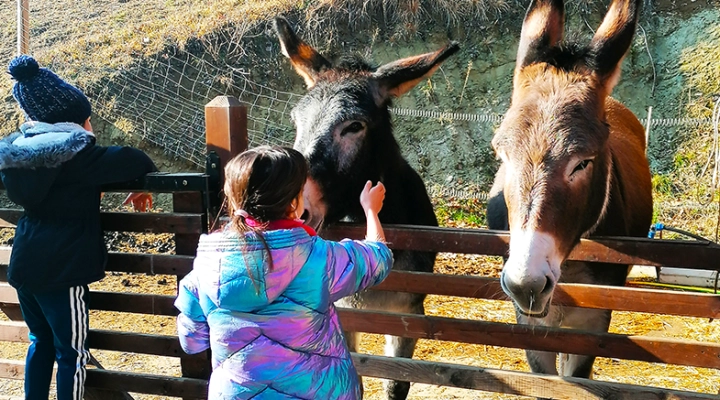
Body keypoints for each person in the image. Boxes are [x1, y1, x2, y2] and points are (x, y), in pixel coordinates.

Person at [175, 146, 393, 399]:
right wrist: (370, 211)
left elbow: (192, 342)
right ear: (296, 200)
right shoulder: (319, 257)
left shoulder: (205, 266)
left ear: (233, 199)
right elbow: (378, 259)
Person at [0, 55, 157, 400]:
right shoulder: (78, 158)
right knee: (72, 352)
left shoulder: (18, 159)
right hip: (63, 270)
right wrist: (140, 182)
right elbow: (136, 159)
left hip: (25, 263)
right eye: (87, 120)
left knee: (40, 342)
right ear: (74, 121)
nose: (91, 128)